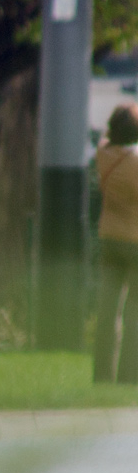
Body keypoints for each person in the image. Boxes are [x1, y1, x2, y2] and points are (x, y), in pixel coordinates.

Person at [94, 102, 138, 383]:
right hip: (135, 241)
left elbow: (105, 139)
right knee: (134, 311)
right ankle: (129, 375)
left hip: (109, 237)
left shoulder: (103, 155)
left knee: (108, 310)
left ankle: (102, 374)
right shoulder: (135, 163)